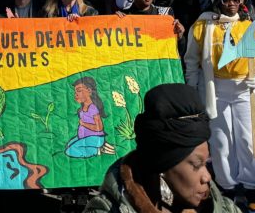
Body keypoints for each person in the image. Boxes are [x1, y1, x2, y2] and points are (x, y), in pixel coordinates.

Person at [85, 83, 240, 213]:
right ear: (162, 167)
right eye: (196, 165)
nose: (207, 177)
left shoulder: (225, 208)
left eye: (206, 164)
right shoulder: (108, 209)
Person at [184, 0, 255, 212]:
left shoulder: (248, 25)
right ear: (217, 3)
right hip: (215, 90)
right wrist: (192, 91)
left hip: (246, 90)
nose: (232, 4)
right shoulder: (201, 27)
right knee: (221, 143)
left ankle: (252, 190)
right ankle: (227, 190)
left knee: (248, 140)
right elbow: (191, 60)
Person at [65, 77, 112, 158]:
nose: (76, 94)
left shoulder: (93, 109)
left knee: (69, 151)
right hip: (84, 137)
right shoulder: (82, 109)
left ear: (89, 91)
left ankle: (98, 150)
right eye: (75, 91)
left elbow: (99, 128)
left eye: (79, 91)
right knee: (68, 145)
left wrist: (83, 124)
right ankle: (100, 146)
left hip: (95, 138)